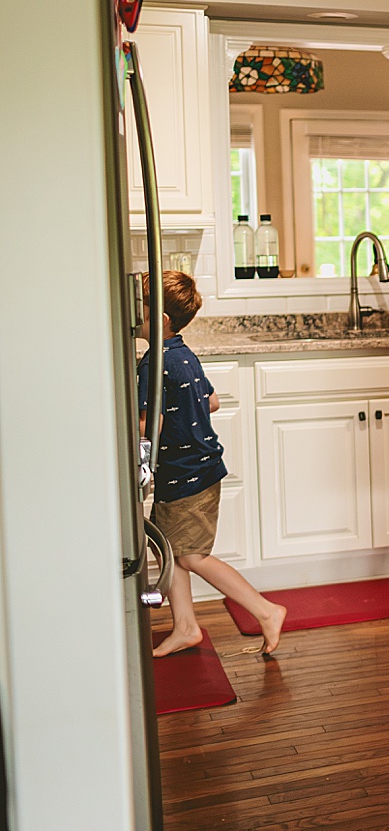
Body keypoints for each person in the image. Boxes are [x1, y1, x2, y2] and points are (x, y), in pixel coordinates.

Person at [140, 271, 287, 657]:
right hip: (197, 469)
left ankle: (265, 610)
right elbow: (214, 401)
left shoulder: (153, 365)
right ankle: (186, 627)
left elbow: (148, 425)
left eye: (139, 305)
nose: (133, 312)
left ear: (161, 318)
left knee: (190, 556)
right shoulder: (182, 354)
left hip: (187, 473)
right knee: (171, 549)